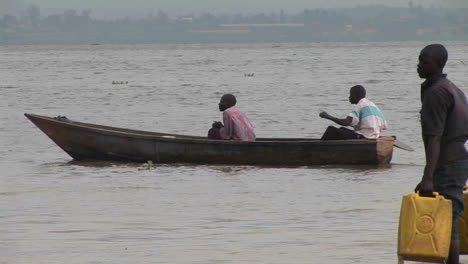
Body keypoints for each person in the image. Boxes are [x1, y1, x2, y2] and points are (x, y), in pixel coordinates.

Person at [414, 44, 468, 264]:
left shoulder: (437, 93)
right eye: (419, 60)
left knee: (447, 224)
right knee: (447, 221)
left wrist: (428, 177)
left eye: (423, 61)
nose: (418, 65)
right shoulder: (452, 89)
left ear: (437, 64)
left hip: (447, 163)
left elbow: (434, 137)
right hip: (457, 161)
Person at [318, 85, 387, 140]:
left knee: (331, 129)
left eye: (351, 94)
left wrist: (328, 116)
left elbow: (346, 122)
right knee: (341, 130)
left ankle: (319, 148)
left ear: (356, 95)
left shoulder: (360, 105)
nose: (349, 97)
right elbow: (384, 125)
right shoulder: (373, 106)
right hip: (375, 137)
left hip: (364, 137)